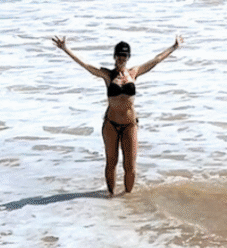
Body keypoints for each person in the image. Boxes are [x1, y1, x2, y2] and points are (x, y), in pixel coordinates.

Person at [51, 34, 183, 194]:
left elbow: (157, 59)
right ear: (114, 56)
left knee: (130, 167)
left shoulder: (134, 73)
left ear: (128, 57)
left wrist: (174, 47)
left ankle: (128, 200)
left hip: (130, 125)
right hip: (111, 125)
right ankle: (111, 198)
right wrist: (65, 48)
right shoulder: (107, 75)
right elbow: (85, 65)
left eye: (124, 56)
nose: (122, 59)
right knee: (111, 163)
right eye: (119, 56)